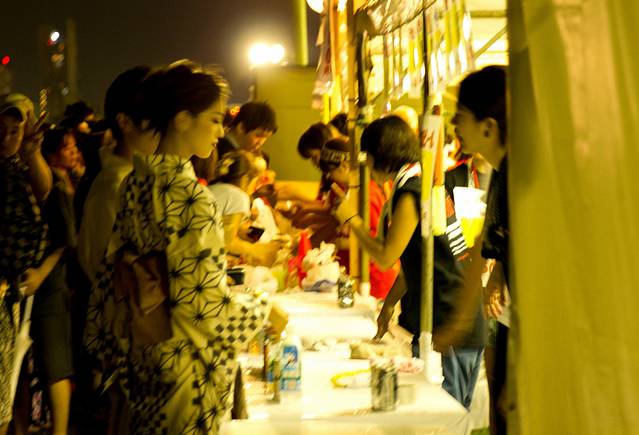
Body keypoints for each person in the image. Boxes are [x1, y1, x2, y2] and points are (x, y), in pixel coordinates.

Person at [84, 61, 287, 434]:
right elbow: (205, 306)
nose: (220, 131)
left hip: (145, 355)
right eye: (214, 119)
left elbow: (111, 273)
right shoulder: (190, 197)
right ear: (182, 120)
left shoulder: (136, 183)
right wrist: (263, 309)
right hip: (185, 365)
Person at [333, 116, 481, 408]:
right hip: (459, 317)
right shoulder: (422, 182)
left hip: (448, 321)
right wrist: (389, 304)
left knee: (443, 419)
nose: (367, 165)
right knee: (452, 416)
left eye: (367, 157)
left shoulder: (412, 191)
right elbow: (419, 256)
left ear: (379, 155)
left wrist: (351, 219)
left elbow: (386, 256)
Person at [440, 65, 508, 434]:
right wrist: (459, 323)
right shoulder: (502, 173)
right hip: (507, 323)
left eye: (461, 115)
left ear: (488, 127)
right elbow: (486, 244)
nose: (454, 125)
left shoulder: (517, 177)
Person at [77, 66, 161, 283]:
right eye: (157, 120)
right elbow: (107, 275)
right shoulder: (115, 188)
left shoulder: (140, 176)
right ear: (125, 122)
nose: (165, 130)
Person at [0, 94, 49, 435]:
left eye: (15, 130)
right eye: (1, 129)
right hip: (4, 291)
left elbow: (45, 190)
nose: (6, 137)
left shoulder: (20, 167)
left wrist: (31, 152)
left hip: (11, 294)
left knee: (6, 385)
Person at [319, 138, 399, 299]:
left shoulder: (367, 195)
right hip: (359, 273)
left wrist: (341, 243)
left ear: (344, 166)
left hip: (374, 278)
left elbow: (376, 241)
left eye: (330, 172)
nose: (330, 177)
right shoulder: (351, 191)